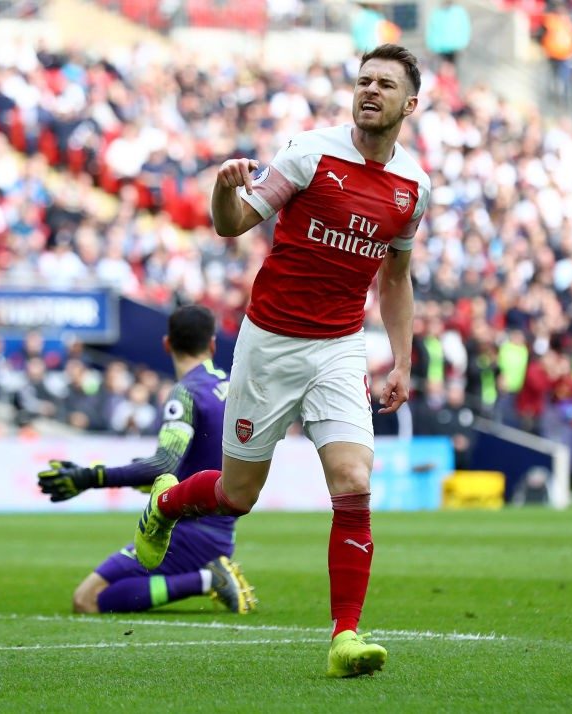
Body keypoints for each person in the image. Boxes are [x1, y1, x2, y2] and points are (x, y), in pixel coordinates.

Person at [133, 44, 430, 678]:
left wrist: (402, 359)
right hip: (269, 343)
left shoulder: (413, 188)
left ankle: (345, 636)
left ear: (410, 104)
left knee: (352, 481)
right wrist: (221, 190)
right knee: (238, 495)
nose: (370, 90)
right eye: (364, 81)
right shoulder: (310, 153)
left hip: (340, 347)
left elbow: (397, 277)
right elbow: (233, 223)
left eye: (384, 84)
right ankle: (164, 505)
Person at [37, 305, 255, 615]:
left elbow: (163, 464)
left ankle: (207, 579)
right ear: (213, 344)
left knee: (86, 600)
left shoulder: (187, 393)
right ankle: (209, 575)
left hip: (188, 533)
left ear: (167, 344)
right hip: (220, 528)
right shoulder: (230, 387)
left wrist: (90, 478)